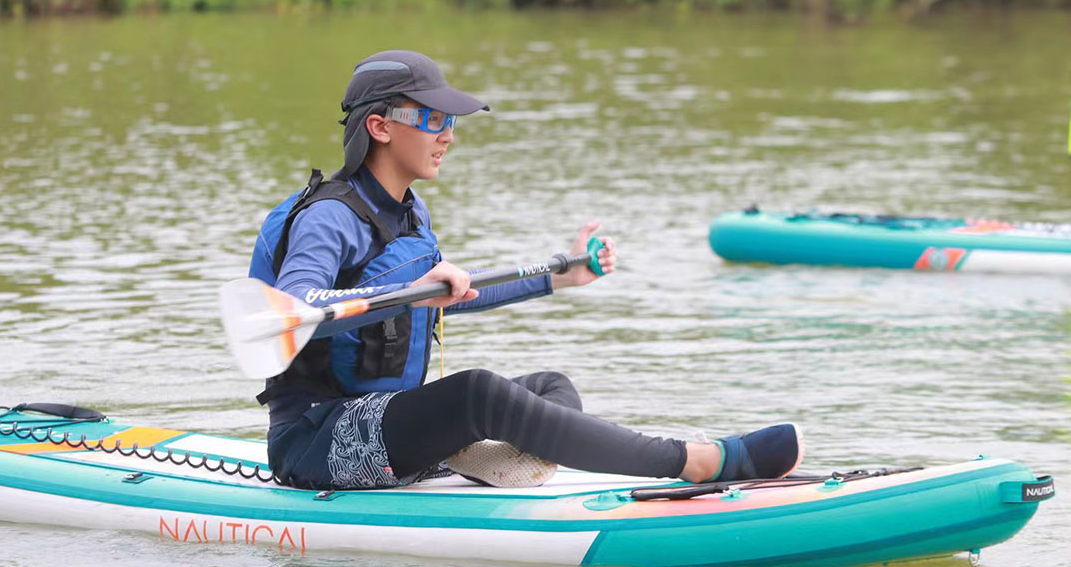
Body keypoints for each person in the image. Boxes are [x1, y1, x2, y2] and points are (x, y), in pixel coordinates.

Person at [249, 50, 803, 490]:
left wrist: (561, 276)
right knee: (477, 395)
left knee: (550, 387)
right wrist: (408, 291)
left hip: (389, 424)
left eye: (451, 120)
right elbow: (297, 311)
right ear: (381, 126)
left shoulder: (411, 212)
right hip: (317, 441)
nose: (448, 134)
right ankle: (696, 461)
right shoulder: (328, 218)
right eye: (433, 118)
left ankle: (462, 454)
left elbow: (450, 294)